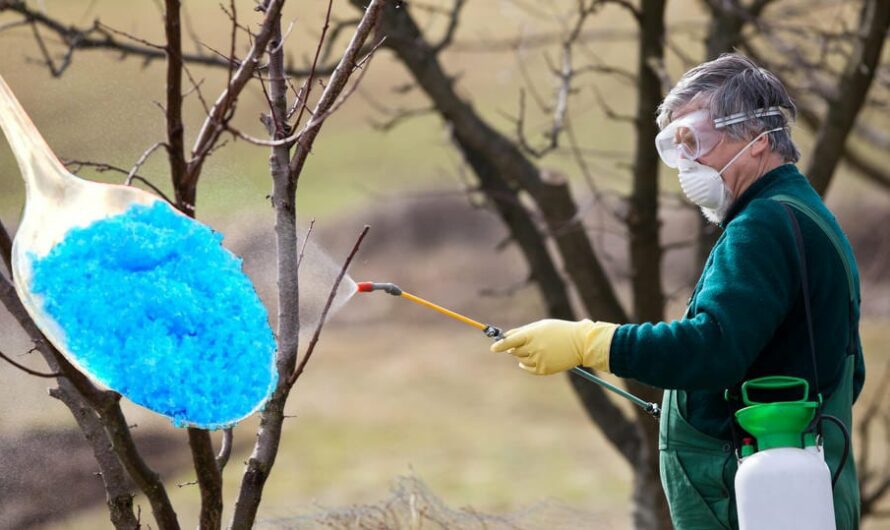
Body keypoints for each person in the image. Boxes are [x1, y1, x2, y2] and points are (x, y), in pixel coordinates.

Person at [491, 53, 864, 529]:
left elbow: (713, 349)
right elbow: (845, 374)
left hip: (758, 504)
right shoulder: (801, 213)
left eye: (698, 140)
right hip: (798, 496)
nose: (687, 161)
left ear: (758, 139)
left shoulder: (764, 225)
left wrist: (591, 342)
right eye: (676, 145)